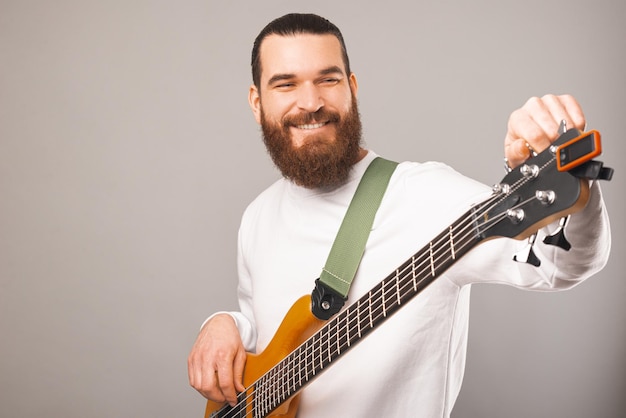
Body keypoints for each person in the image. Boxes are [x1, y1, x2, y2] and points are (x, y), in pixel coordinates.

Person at [188, 13, 610, 418]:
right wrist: (224, 323)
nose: (311, 102)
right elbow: (263, 334)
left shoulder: (424, 194)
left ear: (351, 87)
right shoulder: (257, 216)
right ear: (256, 101)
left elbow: (560, 265)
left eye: (328, 79)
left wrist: (575, 188)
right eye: (285, 84)